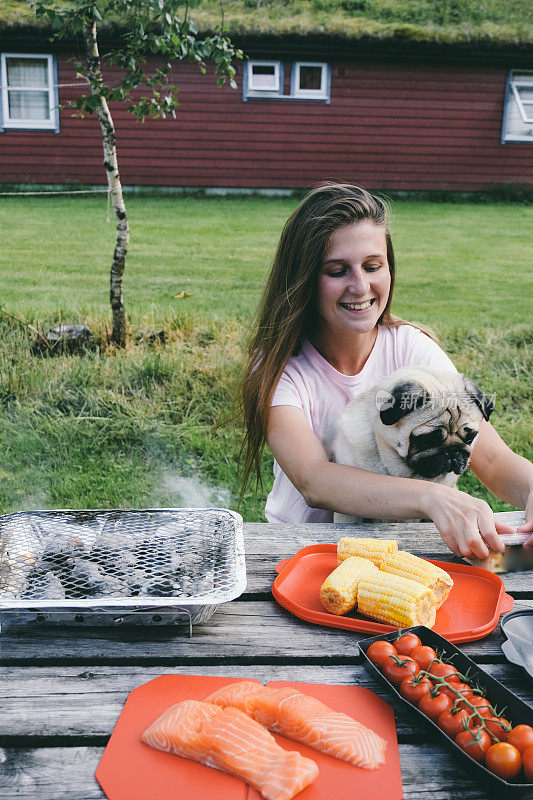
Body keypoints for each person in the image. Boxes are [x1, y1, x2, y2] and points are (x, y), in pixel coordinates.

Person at [240, 183, 533, 560]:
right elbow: (314, 479)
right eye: (337, 270)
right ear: (304, 279)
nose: (360, 286)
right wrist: (433, 497)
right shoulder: (281, 368)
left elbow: (490, 458)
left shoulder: (412, 348)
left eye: (372, 266)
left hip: (406, 550)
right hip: (303, 553)